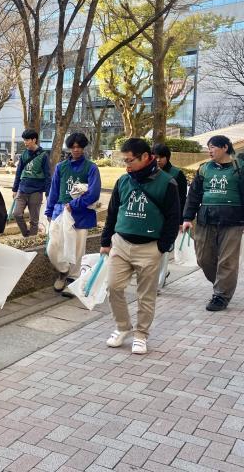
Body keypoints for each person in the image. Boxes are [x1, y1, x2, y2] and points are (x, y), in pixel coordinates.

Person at [101, 138, 181, 354]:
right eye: (124, 160)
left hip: (149, 247)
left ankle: (141, 334)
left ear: (146, 157)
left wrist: (162, 247)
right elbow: (112, 213)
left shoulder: (167, 182)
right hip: (121, 243)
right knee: (113, 286)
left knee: (146, 295)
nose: (126, 165)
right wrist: (105, 241)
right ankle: (122, 327)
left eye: (130, 160)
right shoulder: (123, 181)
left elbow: (174, 218)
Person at [182, 135, 244, 311]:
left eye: (213, 147)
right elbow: (193, 195)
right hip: (205, 219)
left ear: (225, 147)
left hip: (233, 222)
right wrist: (187, 218)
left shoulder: (242, 169)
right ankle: (223, 282)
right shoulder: (203, 169)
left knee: (227, 261)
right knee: (203, 259)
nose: (210, 150)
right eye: (208, 147)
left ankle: (221, 296)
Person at [45, 132, 101, 292]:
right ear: (69, 148)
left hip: (81, 214)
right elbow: (54, 190)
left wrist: (75, 205)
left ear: (83, 148)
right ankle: (63, 271)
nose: (76, 150)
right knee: (53, 247)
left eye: (79, 147)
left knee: (78, 249)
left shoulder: (91, 168)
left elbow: (94, 193)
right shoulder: (61, 167)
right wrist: (49, 211)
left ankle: (74, 280)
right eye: (73, 147)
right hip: (59, 212)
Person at [153, 143, 188, 290]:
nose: (158, 160)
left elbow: (182, 199)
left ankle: (158, 283)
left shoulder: (177, 174)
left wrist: (181, 221)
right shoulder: (150, 172)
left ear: (167, 158)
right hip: (153, 219)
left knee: (165, 251)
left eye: (161, 157)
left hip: (169, 219)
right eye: (155, 157)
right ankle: (159, 276)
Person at [12, 129, 51, 238]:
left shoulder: (43, 155)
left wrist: (48, 193)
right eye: (24, 140)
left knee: (34, 220)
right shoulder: (24, 154)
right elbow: (19, 172)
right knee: (16, 214)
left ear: (34, 140)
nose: (25, 142)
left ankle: (32, 240)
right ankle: (26, 235)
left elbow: (48, 176)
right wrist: (15, 189)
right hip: (22, 189)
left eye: (27, 140)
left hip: (36, 191)